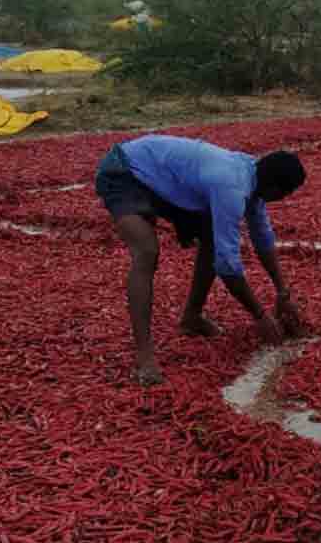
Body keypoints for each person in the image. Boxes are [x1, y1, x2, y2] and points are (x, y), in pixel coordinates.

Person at [94, 135, 308, 386]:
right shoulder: (231, 186)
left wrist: (283, 293)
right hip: (125, 170)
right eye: (285, 195)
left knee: (211, 237)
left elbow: (263, 238)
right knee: (146, 251)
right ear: (274, 189)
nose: (282, 200)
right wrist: (259, 314)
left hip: (164, 180)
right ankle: (144, 355)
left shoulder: (253, 180)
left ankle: (191, 319)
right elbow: (227, 265)